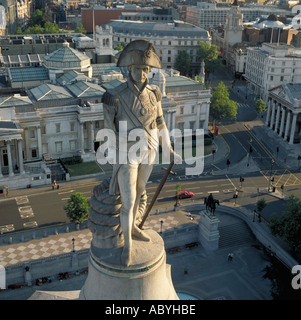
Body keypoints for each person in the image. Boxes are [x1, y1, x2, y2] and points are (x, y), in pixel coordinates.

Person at [101, 40, 181, 266]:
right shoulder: (113, 96)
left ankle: (134, 228)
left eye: (145, 69)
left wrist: (169, 148)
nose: (142, 72)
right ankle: (127, 245)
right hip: (128, 151)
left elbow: (160, 122)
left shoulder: (155, 93)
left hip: (151, 148)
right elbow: (108, 131)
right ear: (129, 69)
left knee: (140, 191)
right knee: (128, 200)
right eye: (137, 68)